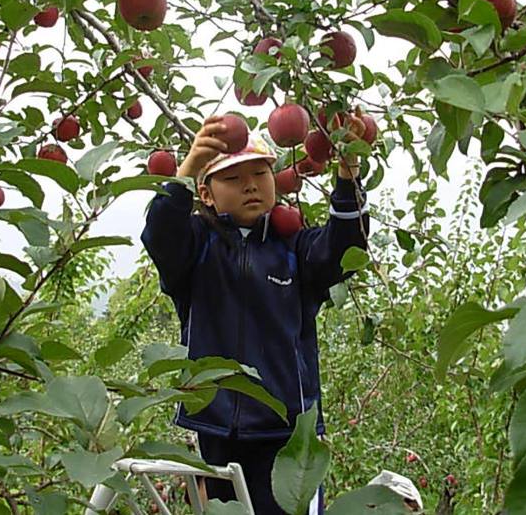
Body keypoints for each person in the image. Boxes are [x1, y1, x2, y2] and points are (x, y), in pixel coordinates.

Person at [141, 114, 371, 514]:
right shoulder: (196, 250)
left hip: (288, 436)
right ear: (206, 195)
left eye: (260, 173)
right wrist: (189, 165)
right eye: (232, 178)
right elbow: (160, 233)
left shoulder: (296, 249)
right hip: (214, 429)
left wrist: (348, 172)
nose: (250, 185)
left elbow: (346, 248)